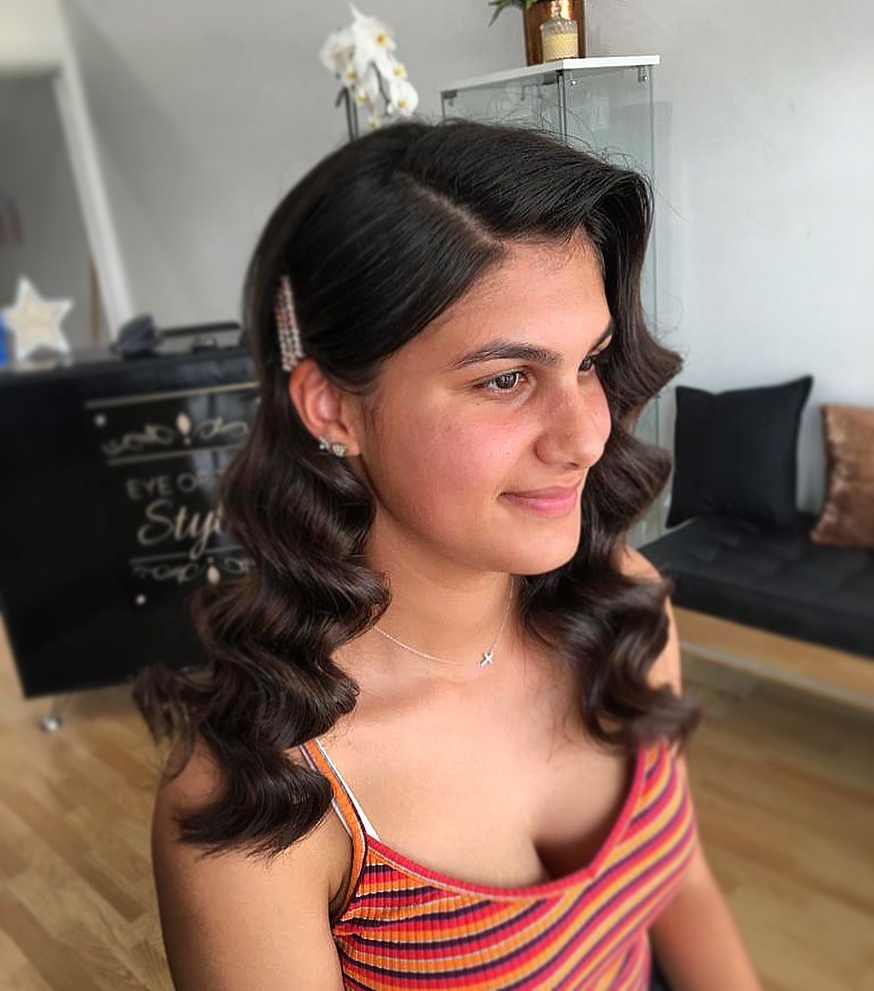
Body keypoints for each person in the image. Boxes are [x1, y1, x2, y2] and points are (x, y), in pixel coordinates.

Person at [136, 118, 763, 991]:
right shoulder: (265, 800)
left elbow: (678, 887)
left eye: (591, 361)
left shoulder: (625, 604)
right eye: (505, 379)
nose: (587, 435)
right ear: (332, 410)